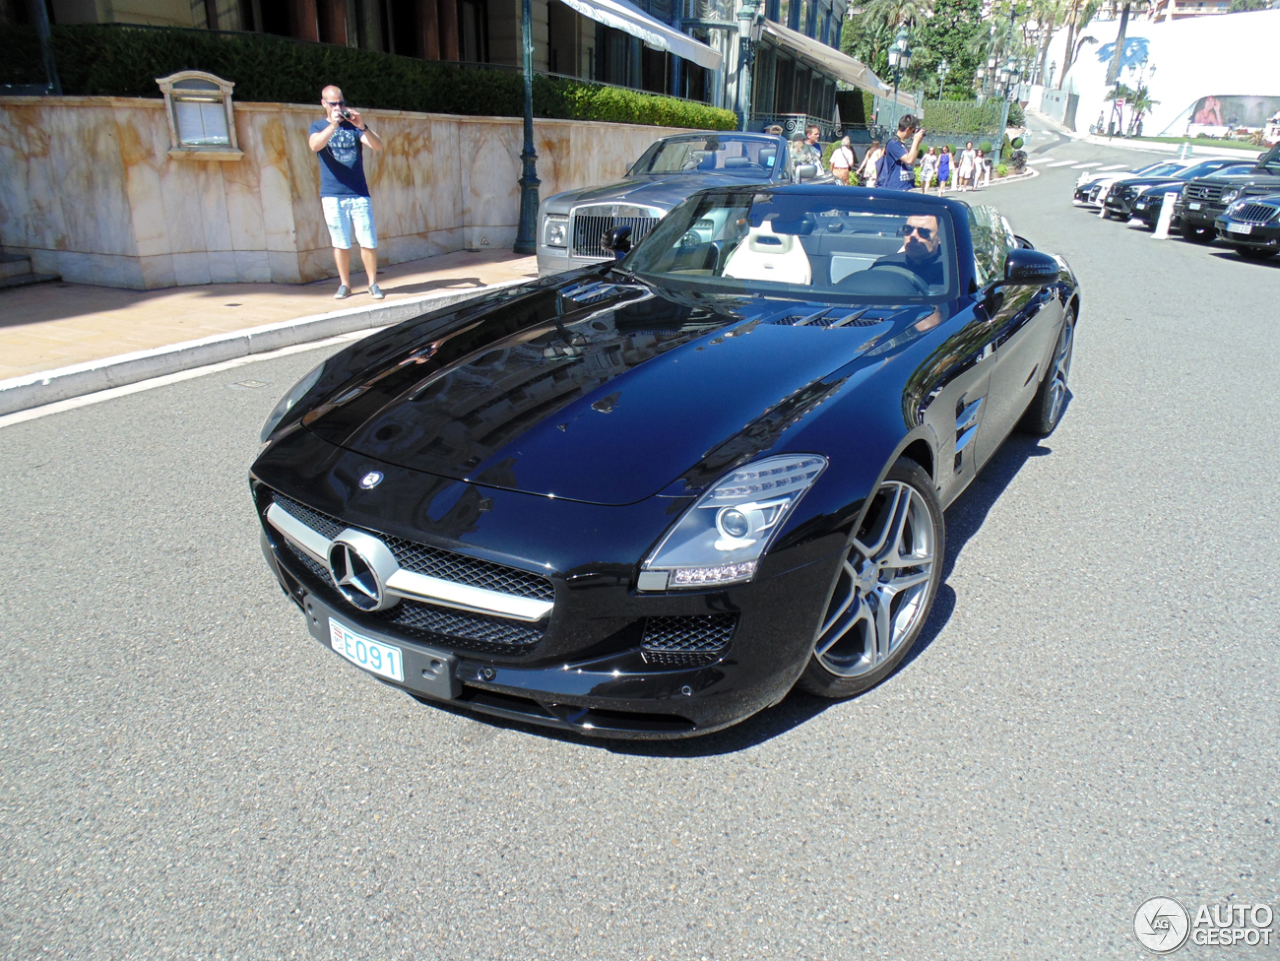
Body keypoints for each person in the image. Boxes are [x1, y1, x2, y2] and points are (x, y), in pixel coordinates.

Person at [309, 84, 385, 300]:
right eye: (333, 103)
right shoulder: (317, 126)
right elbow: (315, 145)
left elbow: (377, 146)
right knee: (340, 242)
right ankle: (345, 284)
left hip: (359, 193)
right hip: (333, 194)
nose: (338, 107)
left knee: (368, 241)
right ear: (324, 103)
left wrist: (362, 126)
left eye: (341, 102)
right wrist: (333, 124)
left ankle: (373, 283)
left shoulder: (353, 127)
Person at [873, 213, 945, 287]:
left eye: (923, 231)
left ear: (940, 237)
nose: (912, 236)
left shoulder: (950, 271)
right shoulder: (883, 264)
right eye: (908, 229)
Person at [876, 114, 926, 191]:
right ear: (908, 129)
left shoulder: (902, 144)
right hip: (896, 189)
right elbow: (909, 160)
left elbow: (912, 159)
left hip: (907, 187)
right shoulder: (893, 143)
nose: (912, 134)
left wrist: (918, 142)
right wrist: (915, 140)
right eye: (913, 131)